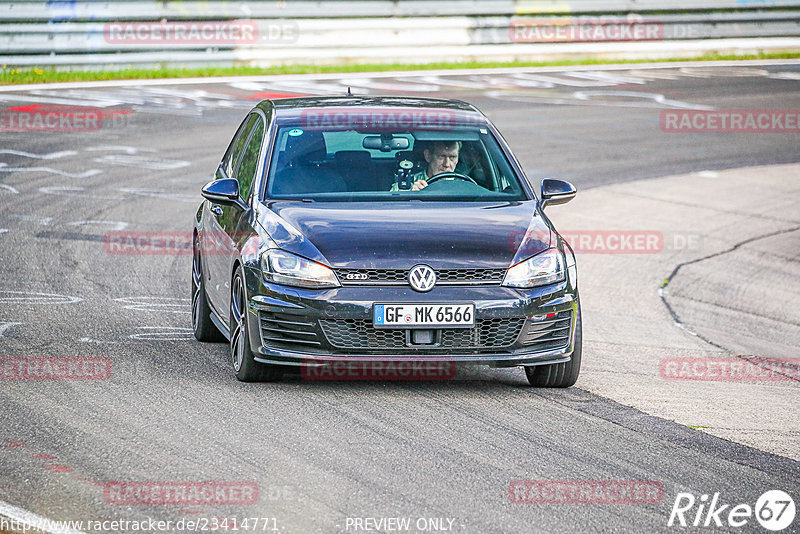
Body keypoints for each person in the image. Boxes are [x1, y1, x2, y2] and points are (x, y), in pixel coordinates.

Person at [391, 141, 462, 191]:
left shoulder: (465, 186)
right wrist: (411, 196)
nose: (447, 164)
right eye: (441, 157)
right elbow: (391, 209)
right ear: (428, 156)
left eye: (452, 157)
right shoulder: (406, 185)